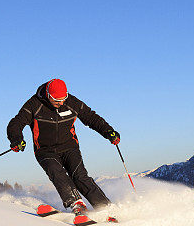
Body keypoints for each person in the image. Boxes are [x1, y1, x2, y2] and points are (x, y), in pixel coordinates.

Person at [7, 79, 120, 217]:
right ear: (48, 95)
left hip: (69, 147)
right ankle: (77, 204)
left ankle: (106, 207)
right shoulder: (34, 104)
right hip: (45, 150)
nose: (61, 103)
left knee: (80, 177)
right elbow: (16, 123)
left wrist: (108, 132)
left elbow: (91, 118)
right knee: (57, 173)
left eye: (63, 99)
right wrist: (16, 139)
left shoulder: (71, 102)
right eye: (56, 100)